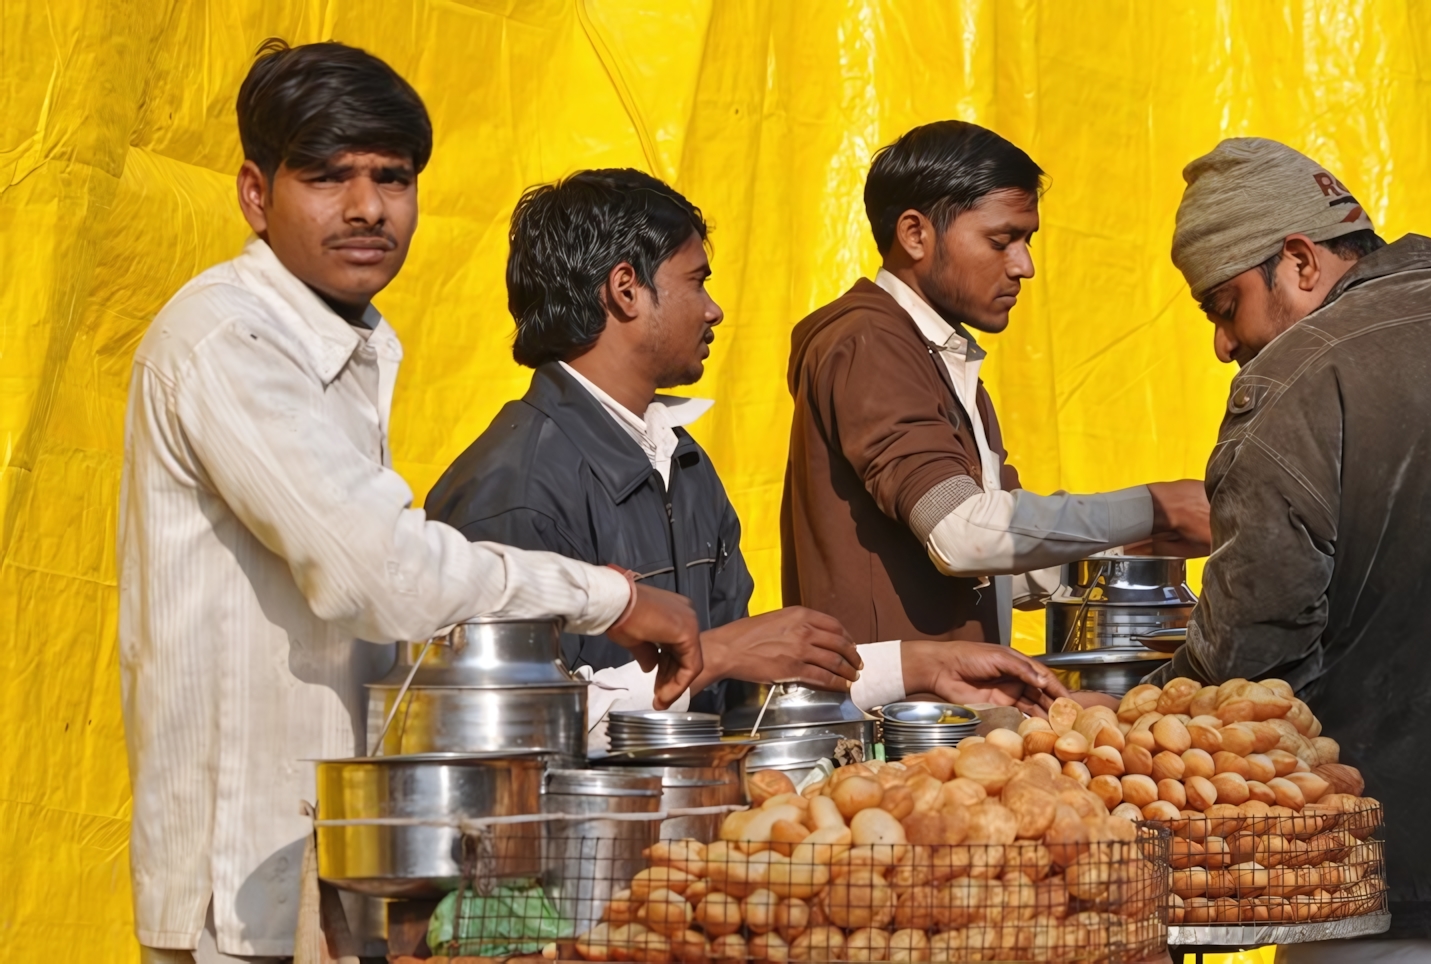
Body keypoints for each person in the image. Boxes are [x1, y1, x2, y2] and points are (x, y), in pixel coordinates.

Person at [120, 43, 701, 964]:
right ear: (254, 193)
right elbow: (379, 575)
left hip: (345, 862)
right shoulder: (227, 341)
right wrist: (609, 597)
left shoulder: (349, 345)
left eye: (392, 177)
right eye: (326, 177)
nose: (366, 207)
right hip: (245, 882)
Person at [425, 168, 1069, 747]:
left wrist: (922, 666)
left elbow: (739, 691)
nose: (714, 309)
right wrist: (716, 653)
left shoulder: (684, 462)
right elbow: (499, 732)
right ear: (626, 289)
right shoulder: (510, 489)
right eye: (697, 280)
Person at [1150, 137, 1431, 961]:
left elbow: (1251, 652)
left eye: (1222, 305)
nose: (1221, 343)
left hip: (1388, 888)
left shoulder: (1300, 380)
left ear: (1300, 261)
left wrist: (1138, 710)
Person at [783, 120, 1212, 650]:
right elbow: (963, 534)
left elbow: (997, 561)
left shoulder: (941, 356)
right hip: (888, 722)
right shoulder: (869, 340)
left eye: (1027, 240)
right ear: (915, 234)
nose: (1025, 266)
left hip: (959, 716)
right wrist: (1152, 506)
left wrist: (1141, 546)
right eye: (1001, 240)